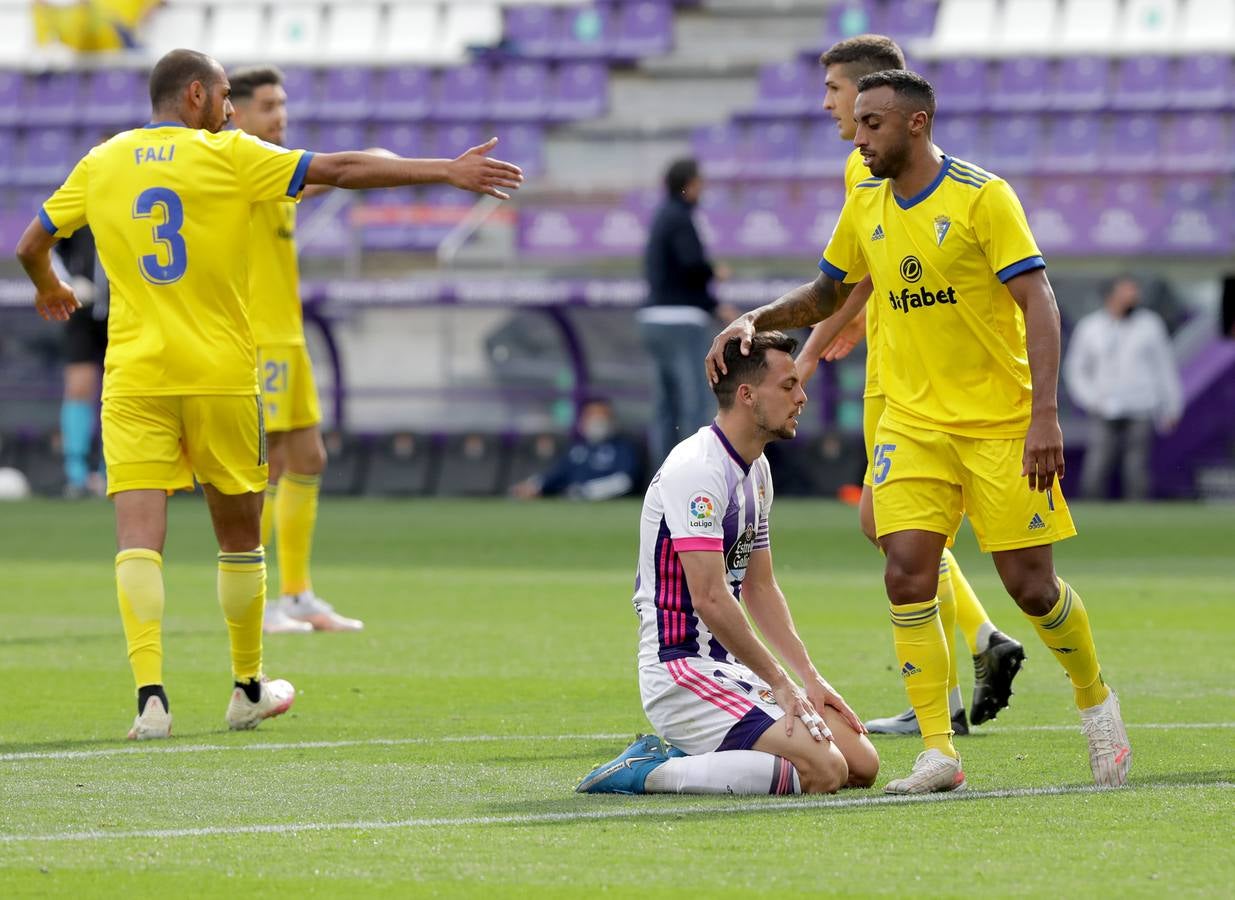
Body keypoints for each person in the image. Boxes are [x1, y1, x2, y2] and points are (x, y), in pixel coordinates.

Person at [17, 47, 523, 740]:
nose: (231, 110)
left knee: (138, 542)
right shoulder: (228, 156)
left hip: (134, 376)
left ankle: (151, 701)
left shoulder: (100, 161)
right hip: (222, 374)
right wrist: (447, 169)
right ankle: (247, 687)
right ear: (196, 95)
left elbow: (30, 242)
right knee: (238, 540)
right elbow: (340, 170)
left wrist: (50, 286)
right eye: (225, 96)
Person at [706, 70, 1130, 793]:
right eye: (858, 123)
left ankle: (1095, 701)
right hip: (912, 422)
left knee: (1030, 587)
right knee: (904, 569)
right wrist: (758, 319)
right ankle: (938, 752)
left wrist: (1045, 415)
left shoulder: (981, 196)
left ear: (916, 123)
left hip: (998, 422)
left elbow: (1039, 301)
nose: (858, 138)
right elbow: (826, 292)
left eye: (871, 124)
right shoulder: (864, 200)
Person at [795, 35, 1025, 738]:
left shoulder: (873, 165)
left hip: (905, 384)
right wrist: (851, 317)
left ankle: (967, 662)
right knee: (888, 529)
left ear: (875, 97)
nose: (828, 104)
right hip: (895, 368)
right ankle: (975, 649)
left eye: (835, 89)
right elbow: (871, 260)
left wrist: (807, 353)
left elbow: (865, 267)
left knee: (888, 528)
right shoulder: (865, 169)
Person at [577, 333, 878, 796]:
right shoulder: (697, 469)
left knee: (861, 763)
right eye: (789, 385)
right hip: (680, 669)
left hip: (729, 666)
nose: (802, 397)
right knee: (825, 771)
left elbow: (760, 587)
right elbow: (712, 598)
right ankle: (648, 770)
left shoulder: (756, 468)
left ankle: (706, 754)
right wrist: (779, 681)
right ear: (747, 394)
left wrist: (809, 678)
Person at [229, 65, 363, 633]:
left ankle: (297, 593)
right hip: (260, 339)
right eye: (267, 104)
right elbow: (330, 175)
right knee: (274, 464)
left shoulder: (275, 168)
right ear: (235, 111)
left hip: (287, 335)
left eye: (282, 103)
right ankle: (261, 601)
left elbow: (317, 178)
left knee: (308, 458)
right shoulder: (239, 163)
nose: (279, 114)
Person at [639, 157, 733, 472]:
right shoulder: (681, 217)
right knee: (695, 402)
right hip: (682, 322)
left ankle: (661, 476)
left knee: (665, 405)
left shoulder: (660, 217)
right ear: (689, 184)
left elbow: (668, 275)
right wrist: (713, 273)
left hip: (652, 318)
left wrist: (713, 305)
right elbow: (691, 264)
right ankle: (693, 476)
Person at [1064, 276, 1182, 500]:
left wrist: (1172, 406)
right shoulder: (1091, 327)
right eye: (1126, 292)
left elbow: (1164, 368)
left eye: (1134, 292)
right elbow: (1076, 369)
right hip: (1105, 408)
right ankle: (1092, 516)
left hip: (1141, 406)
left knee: (1136, 468)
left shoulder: (1150, 325)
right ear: (1111, 296)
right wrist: (1091, 399)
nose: (1132, 297)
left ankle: (1137, 519)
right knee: (1097, 464)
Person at [55, 225, 108, 498]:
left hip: (126, 311)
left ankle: (112, 472)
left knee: (120, 392)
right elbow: (48, 248)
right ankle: (76, 474)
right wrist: (69, 282)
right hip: (82, 311)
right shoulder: (80, 193)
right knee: (79, 386)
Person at [509, 397, 640, 500]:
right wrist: (533, 485)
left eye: (602, 416)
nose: (597, 421)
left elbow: (625, 481)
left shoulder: (622, 447)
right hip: (571, 503)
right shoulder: (578, 449)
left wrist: (588, 491)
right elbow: (557, 474)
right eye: (592, 416)